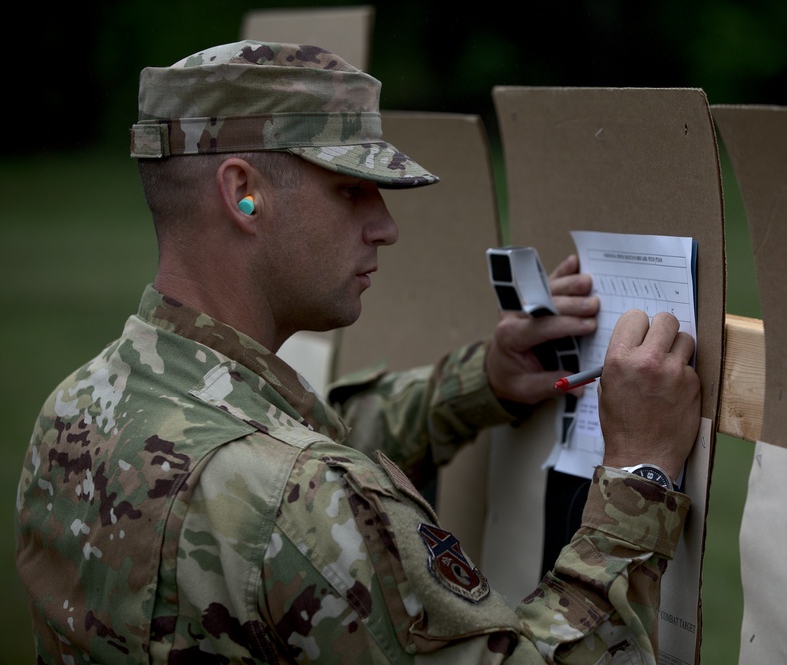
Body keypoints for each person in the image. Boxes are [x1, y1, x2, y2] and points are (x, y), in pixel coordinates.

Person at [15, 41, 702, 663]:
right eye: (351, 190)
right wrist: (638, 472)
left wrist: (479, 383)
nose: (386, 226)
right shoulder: (301, 502)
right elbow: (296, 489)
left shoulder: (79, 406)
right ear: (243, 194)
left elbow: (277, 439)